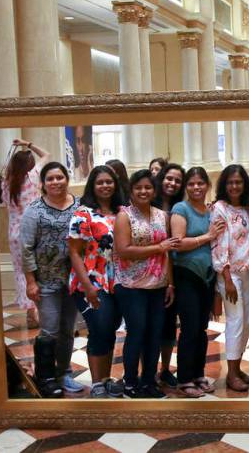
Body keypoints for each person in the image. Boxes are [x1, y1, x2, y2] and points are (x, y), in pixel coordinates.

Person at [20, 162, 83, 396]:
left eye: (60, 177)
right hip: (46, 280)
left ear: (67, 179)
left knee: (68, 329)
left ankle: (64, 373)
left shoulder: (80, 206)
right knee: (49, 330)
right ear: (43, 183)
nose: (56, 182)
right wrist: (30, 281)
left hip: (74, 279)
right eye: (50, 179)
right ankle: (45, 377)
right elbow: (25, 248)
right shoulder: (34, 210)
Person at [114, 170, 177, 398]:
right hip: (131, 286)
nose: (143, 191)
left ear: (154, 190)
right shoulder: (124, 216)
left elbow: (168, 252)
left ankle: (149, 381)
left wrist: (170, 283)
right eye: (138, 187)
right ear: (131, 191)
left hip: (158, 285)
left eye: (148, 187)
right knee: (137, 333)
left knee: (154, 334)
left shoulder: (162, 215)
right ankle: (130, 381)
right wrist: (157, 248)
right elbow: (124, 251)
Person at [68, 165, 125, 398]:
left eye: (109, 181)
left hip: (118, 281)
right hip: (89, 280)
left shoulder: (123, 211)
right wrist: (89, 287)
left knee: (110, 329)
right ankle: (96, 382)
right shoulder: (83, 213)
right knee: (99, 327)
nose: (105, 186)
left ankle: (106, 378)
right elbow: (73, 252)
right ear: (92, 185)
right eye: (100, 182)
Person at [170, 167, 226, 398]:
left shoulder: (211, 210)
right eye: (191, 184)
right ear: (186, 186)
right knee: (190, 328)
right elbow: (178, 243)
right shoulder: (180, 209)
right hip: (186, 275)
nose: (196, 187)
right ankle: (184, 379)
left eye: (200, 183)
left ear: (207, 185)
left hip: (207, 276)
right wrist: (207, 236)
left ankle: (198, 374)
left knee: (202, 329)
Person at [210, 164, 249, 392]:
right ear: (224, 185)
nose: (234, 186)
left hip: (248, 272)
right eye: (230, 182)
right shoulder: (220, 208)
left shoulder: (248, 208)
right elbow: (219, 244)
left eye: (238, 182)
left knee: (247, 321)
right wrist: (226, 278)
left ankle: (238, 367)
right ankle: (231, 374)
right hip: (230, 274)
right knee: (235, 321)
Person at [1, 139, 50, 326]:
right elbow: (46, 155)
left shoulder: (7, 183)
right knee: (37, 271)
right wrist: (27, 144)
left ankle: (31, 311)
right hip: (34, 230)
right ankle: (39, 310)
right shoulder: (34, 176)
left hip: (14, 233)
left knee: (21, 273)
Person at [152, 163, 186, 387]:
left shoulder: (181, 208)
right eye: (169, 178)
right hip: (150, 272)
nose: (172, 183)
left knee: (168, 324)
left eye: (177, 180)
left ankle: (165, 369)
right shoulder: (147, 203)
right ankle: (147, 371)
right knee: (149, 324)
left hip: (174, 272)